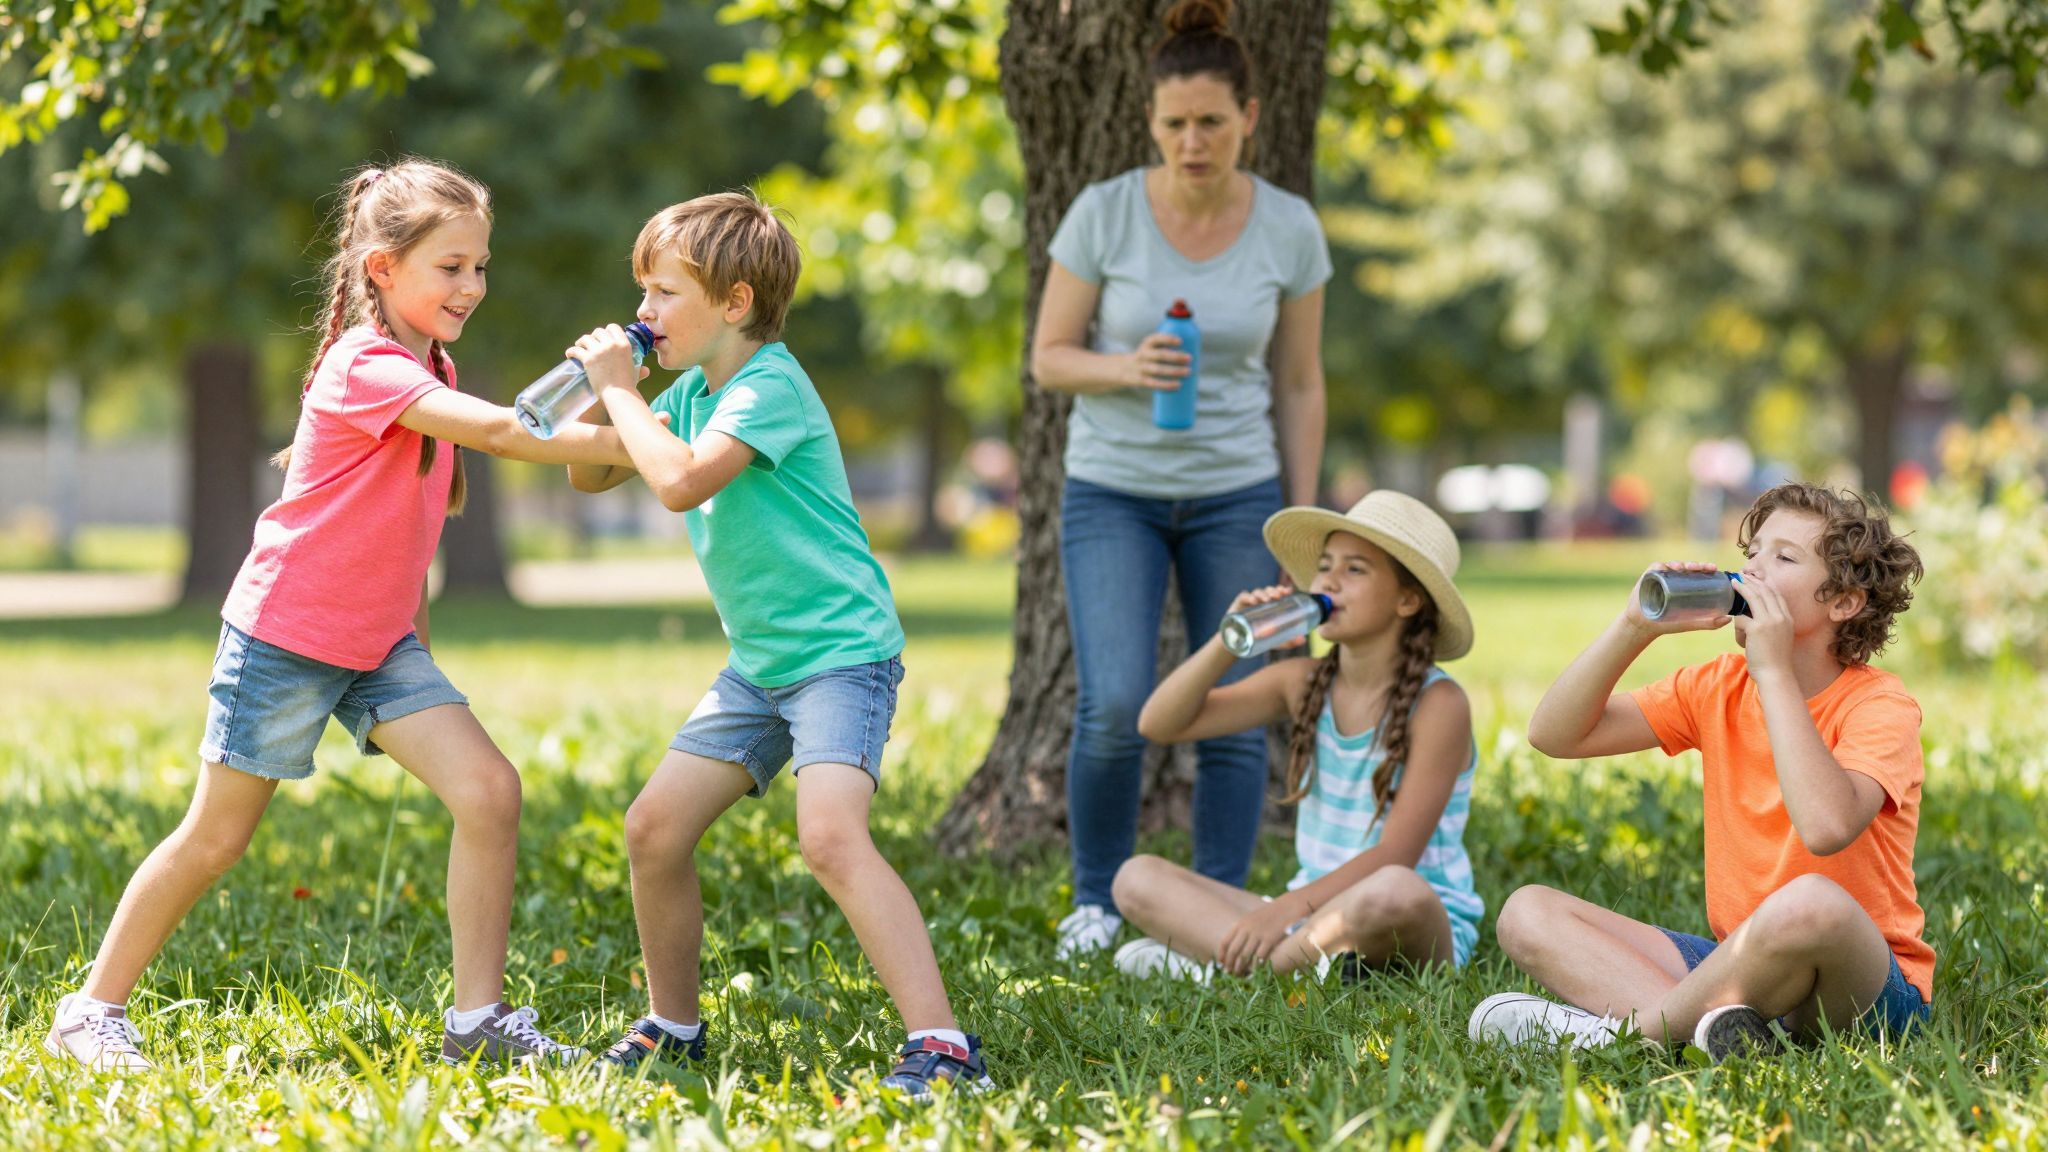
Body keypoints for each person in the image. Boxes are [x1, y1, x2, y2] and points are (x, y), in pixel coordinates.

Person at [44, 159, 637, 1071]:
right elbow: (499, 430)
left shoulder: (430, 364)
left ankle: (478, 1022)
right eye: (451, 266)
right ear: (382, 269)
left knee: (490, 791)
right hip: (287, 636)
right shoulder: (367, 365)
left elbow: (409, 538)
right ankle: (90, 1010)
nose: (472, 286)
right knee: (216, 837)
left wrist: (422, 661)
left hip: (380, 645)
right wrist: (644, 432)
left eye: (481, 266)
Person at [562, 192, 991, 1097]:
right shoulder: (688, 392)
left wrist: (614, 388)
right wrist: (601, 389)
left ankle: (944, 1045)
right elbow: (591, 471)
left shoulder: (770, 388)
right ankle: (674, 1026)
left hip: (841, 657)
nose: (643, 313)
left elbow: (676, 483)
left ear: (736, 303)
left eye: (663, 293)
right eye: (640, 292)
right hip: (759, 669)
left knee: (831, 837)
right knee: (653, 829)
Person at [1032, 0, 1332, 959]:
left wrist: (1304, 520)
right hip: (1110, 492)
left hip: (1239, 492)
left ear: (1250, 114)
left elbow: (1299, 379)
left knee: (1236, 708)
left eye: (1210, 121)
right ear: (1150, 124)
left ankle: (1218, 909)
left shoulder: (1288, 228)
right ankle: (1096, 898)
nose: (1191, 141)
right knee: (1116, 701)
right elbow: (1048, 358)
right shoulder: (1105, 213)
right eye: (1173, 125)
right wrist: (1127, 368)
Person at [1471, 482, 1931, 1062]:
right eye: (1754, 552)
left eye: (1784, 558)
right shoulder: (1717, 686)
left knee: (1812, 900)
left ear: (1842, 603)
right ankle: (1722, 1032)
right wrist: (1634, 626)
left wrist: (1774, 675)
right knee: (1527, 913)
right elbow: (1556, 735)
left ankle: (1628, 1039)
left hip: (1866, 989)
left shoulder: (1880, 707)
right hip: (1744, 967)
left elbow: (1824, 826)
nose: (1755, 569)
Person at [1109, 492, 1484, 981]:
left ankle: (1235, 972)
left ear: (1407, 600)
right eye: (1325, 565)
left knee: (1396, 888)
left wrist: (1280, 911)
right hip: (1310, 920)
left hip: (1405, 919)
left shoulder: (1439, 705)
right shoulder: (1302, 681)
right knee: (1135, 878)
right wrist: (1229, 640)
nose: (1327, 580)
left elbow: (1397, 856)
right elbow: (1159, 723)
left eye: (1355, 569)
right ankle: (1292, 966)